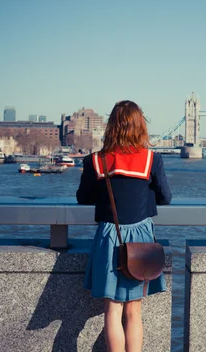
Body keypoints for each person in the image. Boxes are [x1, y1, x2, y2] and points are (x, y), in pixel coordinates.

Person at [77, 100, 172, 352]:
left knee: (112, 310)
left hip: (110, 234)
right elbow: (166, 197)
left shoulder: (96, 161)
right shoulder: (152, 159)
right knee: (134, 311)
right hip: (141, 236)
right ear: (140, 126)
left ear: (111, 127)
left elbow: (83, 197)